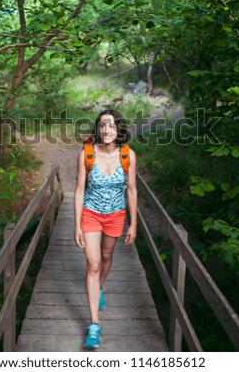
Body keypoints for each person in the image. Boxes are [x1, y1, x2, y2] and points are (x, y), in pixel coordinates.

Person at [74, 109, 137, 350]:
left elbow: (131, 190)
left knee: (107, 255)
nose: (106, 130)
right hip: (90, 213)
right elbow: (79, 190)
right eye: (102, 125)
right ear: (97, 129)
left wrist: (133, 223)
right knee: (94, 263)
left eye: (111, 125)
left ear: (119, 128)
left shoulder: (127, 155)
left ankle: (99, 288)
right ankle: (94, 324)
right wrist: (76, 224)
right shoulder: (86, 155)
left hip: (116, 215)